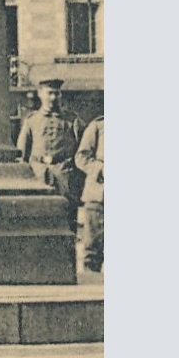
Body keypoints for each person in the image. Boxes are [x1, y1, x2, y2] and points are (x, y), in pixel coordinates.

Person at [17, 78, 83, 228]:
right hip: (38, 174)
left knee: (68, 220)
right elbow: (21, 153)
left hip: (65, 176)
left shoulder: (72, 120)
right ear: (40, 94)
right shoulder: (31, 121)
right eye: (50, 93)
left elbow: (83, 151)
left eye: (57, 93)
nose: (53, 98)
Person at [75, 115, 104, 273]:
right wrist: (100, 169)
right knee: (92, 250)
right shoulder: (98, 126)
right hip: (99, 196)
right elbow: (81, 157)